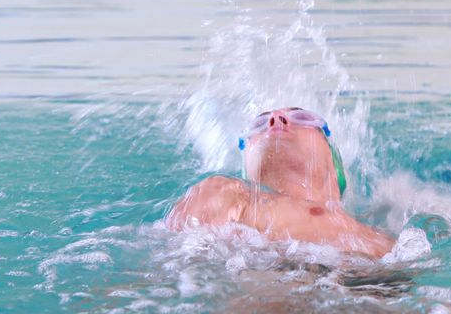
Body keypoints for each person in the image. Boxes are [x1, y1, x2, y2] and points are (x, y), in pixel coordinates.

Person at [165, 107, 395, 259]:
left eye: (302, 118)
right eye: (260, 123)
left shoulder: (380, 237)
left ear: (334, 171)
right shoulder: (222, 194)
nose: (276, 119)